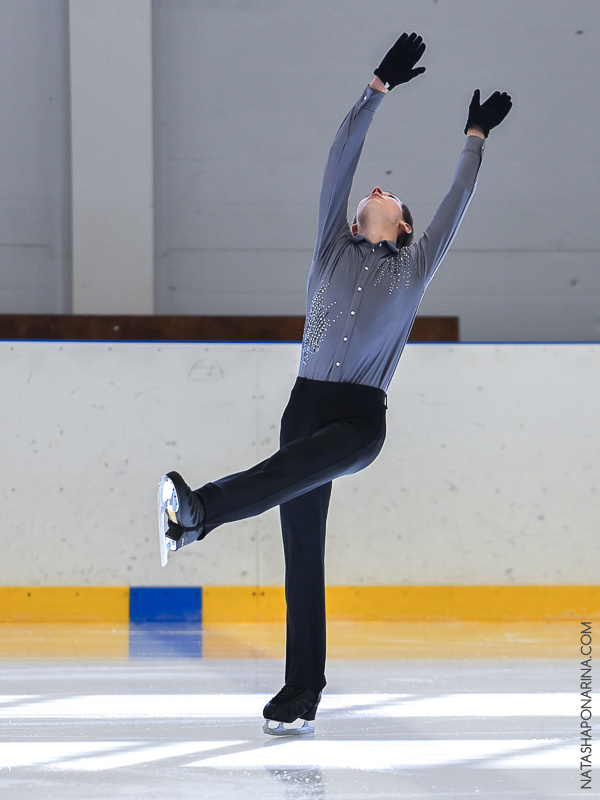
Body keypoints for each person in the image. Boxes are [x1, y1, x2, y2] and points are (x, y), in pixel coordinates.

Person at [157, 32, 512, 735]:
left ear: (403, 223)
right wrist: (374, 88)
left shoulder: (415, 267)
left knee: (292, 470)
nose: (376, 187)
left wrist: (474, 136)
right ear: (353, 217)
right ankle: (301, 692)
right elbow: (339, 156)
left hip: (356, 422)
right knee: (302, 556)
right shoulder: (330, 245)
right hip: (304, 405)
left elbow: (459, 199)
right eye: (370, 192)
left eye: (391, 194)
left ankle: (198, 514)